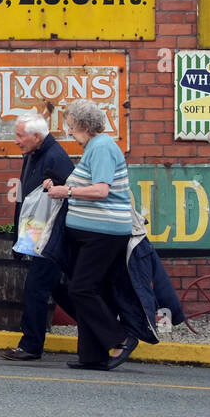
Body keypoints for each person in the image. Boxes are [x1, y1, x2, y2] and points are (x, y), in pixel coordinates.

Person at [43, 99, 138, 370]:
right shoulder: (96, 148)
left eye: (71, 126)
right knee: (92, 290)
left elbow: (101, 191)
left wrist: (68, 191)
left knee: (81, 288)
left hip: (104, 232)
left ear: (85, 125)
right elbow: (88, 183)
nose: (70, 132)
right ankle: (92, 356)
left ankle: (121, 338)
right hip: (94, 232)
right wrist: (61, 184)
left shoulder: (102, 147)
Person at [0, 112, 73, 361]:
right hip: (37, 234)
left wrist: (49, 241)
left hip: (50, 238)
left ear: (36, 136)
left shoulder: (55, 158)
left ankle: (31, 346)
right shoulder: (34, 154)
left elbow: (69, 200)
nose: (17, 141)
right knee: (61, 290)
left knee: (35, 288)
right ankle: (107, 331)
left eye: (20, 136)